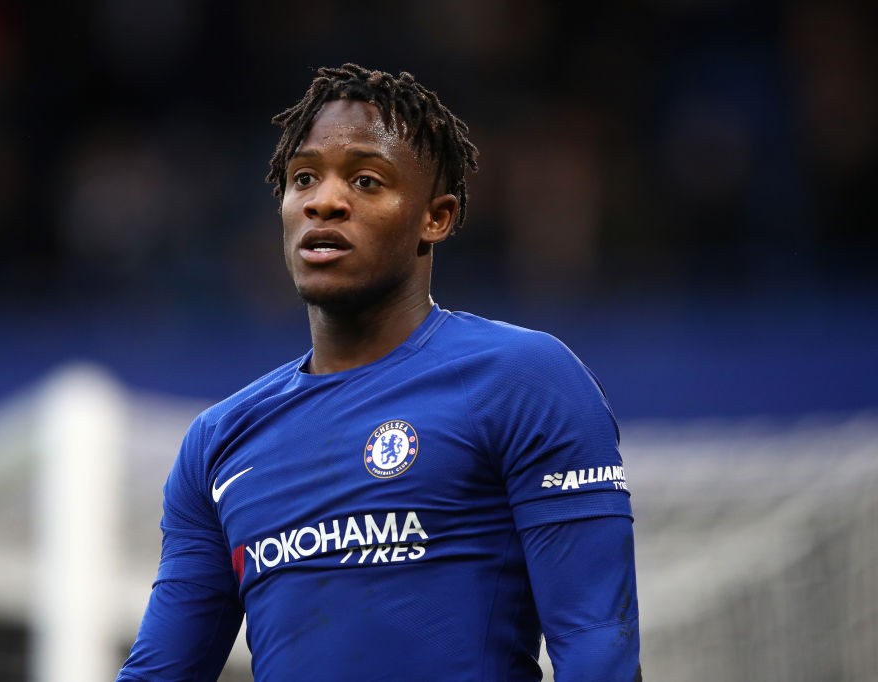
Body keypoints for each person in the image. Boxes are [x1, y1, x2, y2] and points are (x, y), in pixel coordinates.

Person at [118, 64, 641, 682]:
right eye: (303, 178)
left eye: (366, 180)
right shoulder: (218, 443)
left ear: (435, 218)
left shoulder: (522, 379)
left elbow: (598, 647)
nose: (324, 200)